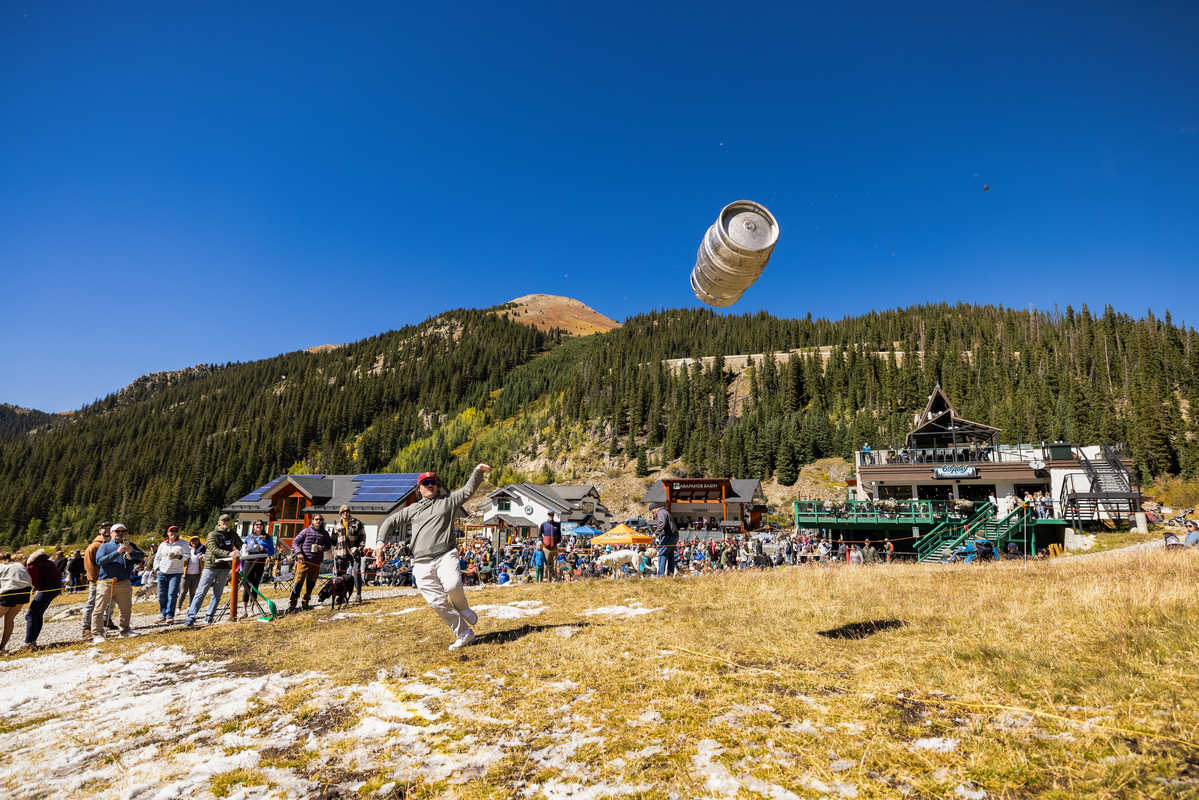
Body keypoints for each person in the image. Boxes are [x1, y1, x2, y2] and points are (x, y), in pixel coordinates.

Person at [378, 465, 491, 651]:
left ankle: (463, 608)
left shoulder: (447, 500)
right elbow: (390, 521)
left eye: (433, 483)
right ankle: (464, 634)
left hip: (445, 554)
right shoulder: (412, 509)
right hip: (421, 562)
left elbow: (468, 490)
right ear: (419, 489)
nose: (430, 485)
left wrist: (477, 472)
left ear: (437, 486)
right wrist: (380, 541)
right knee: (436, 602)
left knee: (453, 585)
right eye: (426, 483)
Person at [185, 514, 244, 626]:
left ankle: (209, 617)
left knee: (217, 593)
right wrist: (228, 553)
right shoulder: (212, 534)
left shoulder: (232, 535)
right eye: (223, 521)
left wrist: (247, 549)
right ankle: (191, 617)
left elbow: (241, 545)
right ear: (219, 522)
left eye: (227, 521)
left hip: (225, 566)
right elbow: (213, 548)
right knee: (201, 591)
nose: (226, 522)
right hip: (211, 566)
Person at [91, 523, 145, 643]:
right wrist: (117, 552)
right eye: (117, 531)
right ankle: (97, 634)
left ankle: (125, 631)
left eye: (122, 531)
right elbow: (99, 561)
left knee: (126, 608)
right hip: (107, 582)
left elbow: (142, 555)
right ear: (111, 533)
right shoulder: (104, 547)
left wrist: (133, 552)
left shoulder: (130, 545)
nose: (120, 533)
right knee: (99, 609)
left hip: (124, 582)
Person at [289, 515, 332, 612]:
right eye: (316, 519)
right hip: (304, 561)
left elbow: (328, 546)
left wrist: (322, 548)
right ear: (313, 521)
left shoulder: (325, 533)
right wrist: (299, 553)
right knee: (298, 583)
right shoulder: (305, 531)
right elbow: (295, 542)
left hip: (316, 562)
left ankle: (305, 602)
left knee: (311, 584)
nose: (318, 521)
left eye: (320, 519)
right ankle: (292, 603)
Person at [23, 548, 62, 648]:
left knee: (31, 615)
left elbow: (34, 582)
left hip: (46, 589)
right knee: (38, 614)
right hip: (55, 587)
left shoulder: (33, 566)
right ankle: (32, 641)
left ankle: (28, 643)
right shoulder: (46, 561)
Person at [81, 523, 113, 640]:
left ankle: (107, 620)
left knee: (111, 601)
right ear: (100, 531)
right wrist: (95, 580)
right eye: (105, 528)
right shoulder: (94, 546)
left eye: (110, 528)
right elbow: (90, 565)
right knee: (93, 603)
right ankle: (87, 627)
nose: (108, 530)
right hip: (97, 581)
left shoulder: (113, 544)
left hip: (111, 579)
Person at [153, 526, 190, 624]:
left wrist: (180, 556)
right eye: (171, 531)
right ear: (167, 533)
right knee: (161, 595)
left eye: (176, 531)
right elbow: (157, 558)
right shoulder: (162, 545)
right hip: (162, 572)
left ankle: (170, 615)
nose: (174, 533)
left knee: (172, 594)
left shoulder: (183, 543)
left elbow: (187, 556)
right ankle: (163, 614)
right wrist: (157, 569)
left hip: (175, 572)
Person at [332, 505, 367, 603]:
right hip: (340, 554)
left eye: (347, 511)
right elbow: (333, 540)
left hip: (354, 553)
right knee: (341, 576)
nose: (345, 513)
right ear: (340, 513)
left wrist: (359, 549)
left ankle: (358, 595)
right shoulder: (336, 524)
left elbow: (363, 538)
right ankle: (341, 596)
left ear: (349, 512)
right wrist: (333, 551)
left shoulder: (357, 523)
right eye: (343, 512)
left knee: (356, 572)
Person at [240, 520, 275, 616]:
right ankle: (244, 610)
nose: (259, 526)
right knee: (246, 585)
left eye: (261, 525)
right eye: (257, 524)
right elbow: (243, 551)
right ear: (254, 526)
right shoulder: (249, 537)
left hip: (259, 562)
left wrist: (264, 549)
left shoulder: (267, 538)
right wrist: (241, 566)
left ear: (263, 526)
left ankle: (252, 609)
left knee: (255, 585)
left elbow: (272, 552)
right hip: (248, 562)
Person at [0, 552, 32, 651]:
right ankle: (2, 648)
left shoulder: (1, 566)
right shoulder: (18, 564)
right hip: (25, 591)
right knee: (9, 620)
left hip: (10, 591)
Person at [648, 502, 679, 577]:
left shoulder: (660, 512)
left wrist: (656, 533)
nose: (651, 513)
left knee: (662, 554)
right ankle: (670, 574)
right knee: (670, 554)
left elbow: (662, 523)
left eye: (651, 511)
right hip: (674, 536)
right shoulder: (665, 512)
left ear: (653, 509)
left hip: (668, 535)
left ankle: (661, 575)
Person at [178, 535, 204, 610]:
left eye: (196, 540)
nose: (194, 542)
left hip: (197, 574)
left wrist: (203, 557)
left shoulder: (202, 549)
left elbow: (206, 558)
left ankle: (190, 606)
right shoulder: (187, 549)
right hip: (186, 574)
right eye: (193, 541)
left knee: (193, 592)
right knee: (183, 592)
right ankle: (178, 607)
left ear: (198, 541)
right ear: (190, 542)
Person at [539, 511, 561, 582]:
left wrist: (558, 542)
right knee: (546, 565)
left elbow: (559, 535)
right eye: (550, 515)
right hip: (546, 548)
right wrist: (543, 542)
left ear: (554, 516)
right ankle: (545, 579)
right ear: (547, 515)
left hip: (554, 547)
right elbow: (539, 535)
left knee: (554, 565)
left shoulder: (557, 525)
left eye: (552, 515)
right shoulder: (543, 524)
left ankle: (554, 579)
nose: (551, 516)